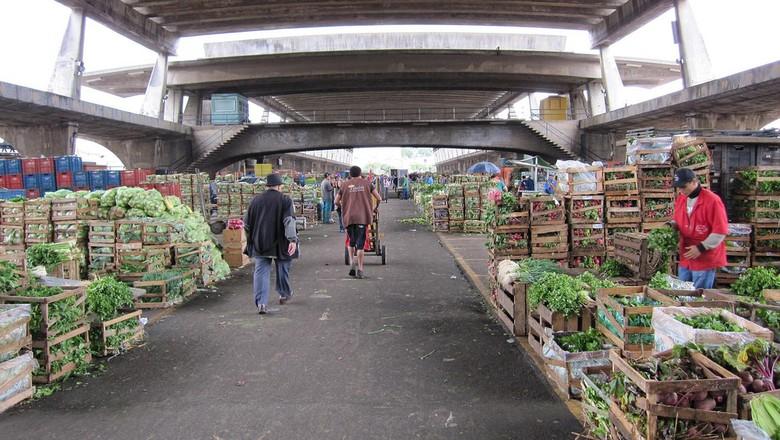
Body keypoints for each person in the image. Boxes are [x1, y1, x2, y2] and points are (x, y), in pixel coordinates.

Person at [244, 173, 299, 314]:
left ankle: (261, 303)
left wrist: (251, 240)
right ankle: (284, 294)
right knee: (283, 268)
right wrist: (292, 239)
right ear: (280, 186)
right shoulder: (285, 200)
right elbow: (289, 221)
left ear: (267, 186)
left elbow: (247, 224)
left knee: (261, 271)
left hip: (261, 242)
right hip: (281, 242)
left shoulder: (255, 200)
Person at [670, 168, 728, 289]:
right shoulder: (681, 199)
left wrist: (701, 247)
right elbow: (677, 220)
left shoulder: (712, 201)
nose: (680, 190)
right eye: (678, 187)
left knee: (698, 296)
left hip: (704, 258)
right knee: (681, 292)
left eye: (683, 187)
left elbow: (720, 231)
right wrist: (669, 226)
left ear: (694, 181)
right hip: (686, 256)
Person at [335, 166, 383, 279]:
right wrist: (374, 208)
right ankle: (360, 269)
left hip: (349, 217)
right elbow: (379, 198)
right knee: (360, 245)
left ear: (350, 174)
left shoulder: (344, 185)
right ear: (360, 173)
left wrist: (344, 207)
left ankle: (352, 262)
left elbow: (336, 201)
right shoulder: (368, 183)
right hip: (362, 217)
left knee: (351, 241)